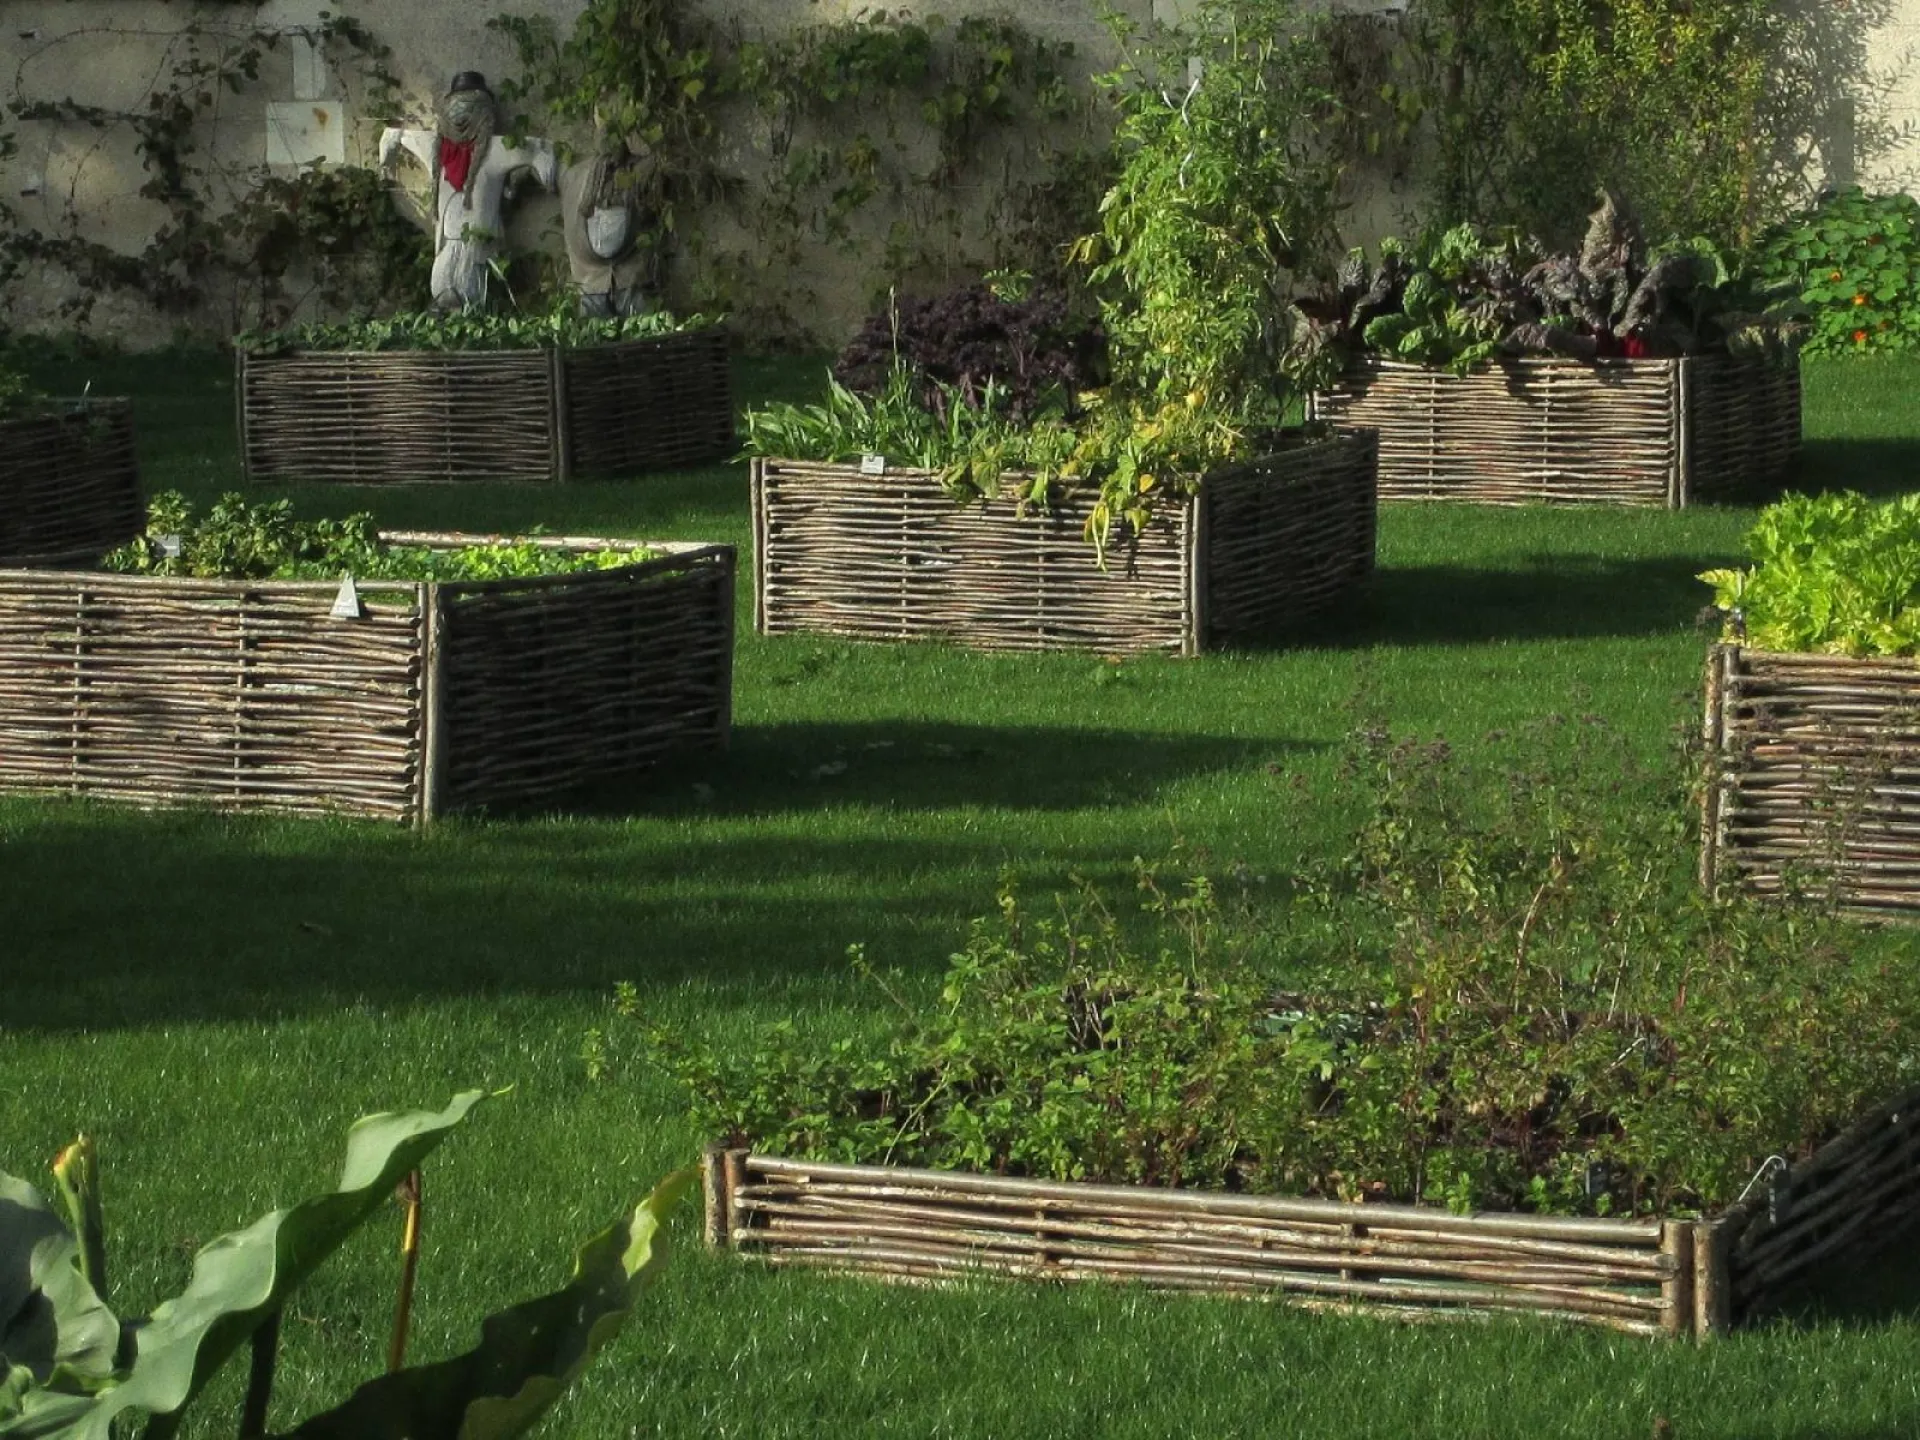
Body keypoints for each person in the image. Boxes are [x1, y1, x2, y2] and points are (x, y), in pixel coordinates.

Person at [379, 72, 557, 311]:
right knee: (441, 296)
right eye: (457, 101)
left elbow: (538, 148)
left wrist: (541, 164)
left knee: (476, 302)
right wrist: (388, 149)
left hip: (478, 250)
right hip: (445, 248)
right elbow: (397, 136)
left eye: (470, 101)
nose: (461, 110)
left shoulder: (495, 149)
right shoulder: (437, 147)